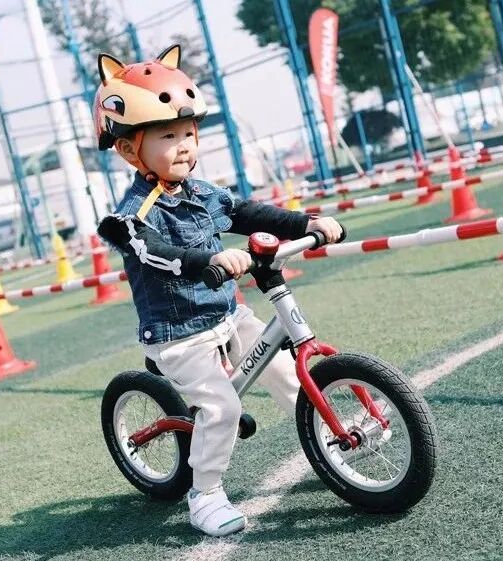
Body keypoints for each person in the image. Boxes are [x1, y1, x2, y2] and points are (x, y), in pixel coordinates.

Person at [93, 45, 343, 537]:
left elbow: (246, 212)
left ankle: (329, 445)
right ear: (128, 150)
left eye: (188, 133)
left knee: (288, 374)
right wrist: (207, 260)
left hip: (226, 315)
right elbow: (156, 252)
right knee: (223, 408)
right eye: (168, 136)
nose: (184, 145)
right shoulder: (132, 215)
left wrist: (305, 223)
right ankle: (204, 494)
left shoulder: (201, 191)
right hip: (178, 336)